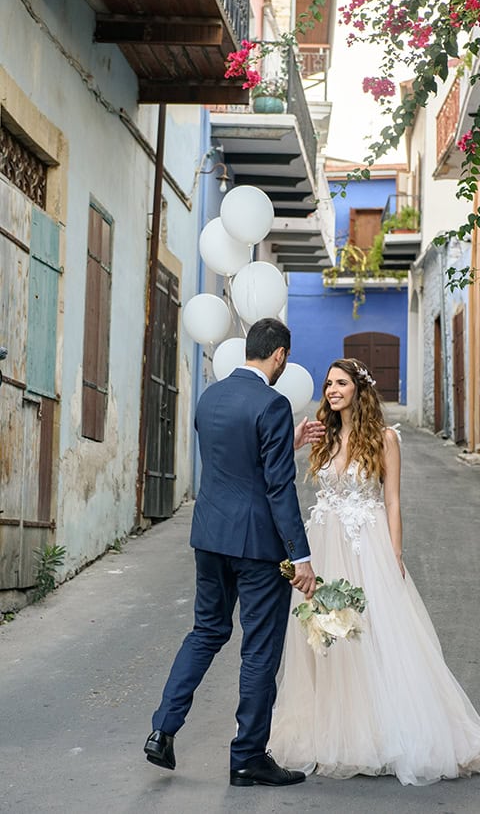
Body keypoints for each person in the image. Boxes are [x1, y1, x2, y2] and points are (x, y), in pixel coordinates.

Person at [269, 358, 480, 785]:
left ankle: (382, 730)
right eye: (328, 384)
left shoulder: (385, 438)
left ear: (359, 388)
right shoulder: (325, 437)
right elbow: (280, 472)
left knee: (373, 633)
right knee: (326, 637)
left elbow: (392, 500)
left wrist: (394, 554)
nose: (332, 390)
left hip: (366, 544)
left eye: (340, 383)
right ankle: (334, 728)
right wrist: (298, 442)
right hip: (322, 543)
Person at [144, 318, 320, 788]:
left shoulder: (211, 397)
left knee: (206, 632)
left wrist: (291, 444)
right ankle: (247, 758)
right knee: (259, 649)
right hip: (258, 547)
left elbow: (233, 462)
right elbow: (277, 486)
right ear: (279, 356)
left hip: (209, 536)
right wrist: (299, 556)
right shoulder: (273, 404)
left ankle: (162, 730)